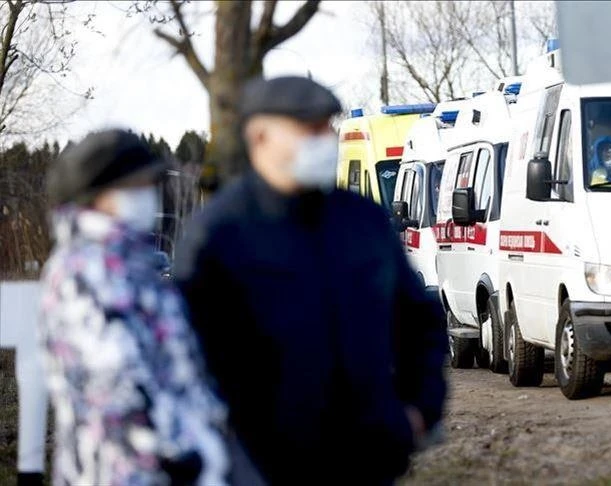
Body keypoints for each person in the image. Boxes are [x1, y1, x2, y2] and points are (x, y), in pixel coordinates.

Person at [173, 76, 449, 485]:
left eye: (328, 126)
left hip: (368, 461)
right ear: (261, 136)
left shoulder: (362, 219)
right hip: (259, 468)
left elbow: (418, 319)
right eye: (310, 129)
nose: (327, 139)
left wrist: (417, 410)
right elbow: (185, 362)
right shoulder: (218, 235)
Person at [38, 130, 229, 485]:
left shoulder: (134, 263)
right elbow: (120, 391)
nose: (147, 198)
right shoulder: (83, 273)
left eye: (148, 185)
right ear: (94, 194)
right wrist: (193, 455)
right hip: (123, 472)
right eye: (133, 187)